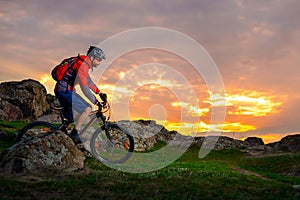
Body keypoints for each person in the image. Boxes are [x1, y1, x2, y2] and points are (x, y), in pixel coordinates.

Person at [54, 46, 107, 144]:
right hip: (64, 91)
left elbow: (89, 82)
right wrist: (96, 102)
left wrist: (99, 93)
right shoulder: (82, 65)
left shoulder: (83, 64)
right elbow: (84, 87)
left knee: (72, 117)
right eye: (99, 59)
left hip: (64, 90)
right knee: (87, 109)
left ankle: (62, 134)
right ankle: (75, 134)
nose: (100, 62)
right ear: (92, 57)